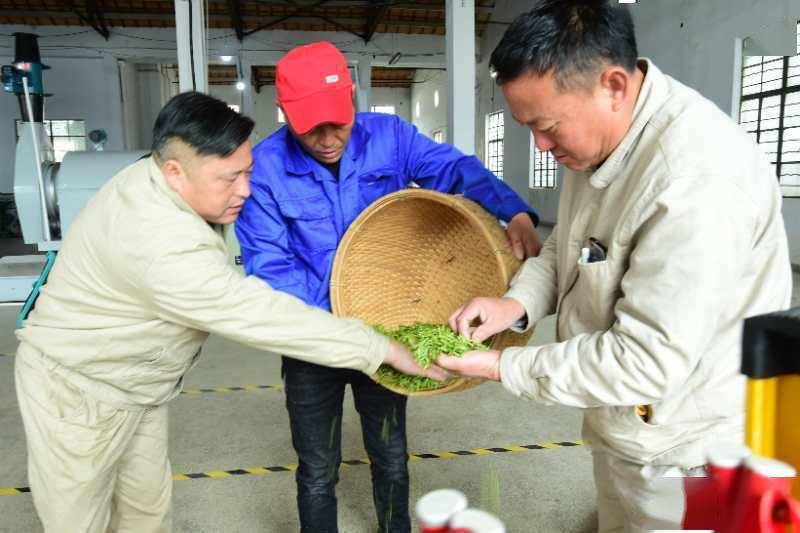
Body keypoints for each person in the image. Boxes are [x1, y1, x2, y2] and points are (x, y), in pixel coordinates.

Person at [13, 91, 443, 533]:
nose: (246, 191)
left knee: (146, 514)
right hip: (77, 391)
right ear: (175, 172)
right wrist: (380, 347)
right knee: (79, 522)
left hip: (137, 387)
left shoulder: (157, 177)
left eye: (248, 173)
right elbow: (259, 313)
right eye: (229, 178)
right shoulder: (159, 245)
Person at [438, 1, 792, 531]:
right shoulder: (598, 142)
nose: (540, 144)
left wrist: (500, 366)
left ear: (615, 85)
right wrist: (516, 303)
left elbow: (647, 360)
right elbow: (572, 246)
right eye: (528, 127)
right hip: (623, 425)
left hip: (688, 449)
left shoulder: (696, 184)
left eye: (547, 126)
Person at [234, 41, 542, 533]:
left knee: (391, 455)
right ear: (283, 113)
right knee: (317, 468)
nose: (329, 137)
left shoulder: (389, 137)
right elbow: (272, 268)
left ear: (353, 98)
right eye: (311, 126)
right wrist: (350, 328)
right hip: (314, 341)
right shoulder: (265, 169)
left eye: (339, 120)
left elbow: (455, 168)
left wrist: (515, 209)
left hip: (390, 333)